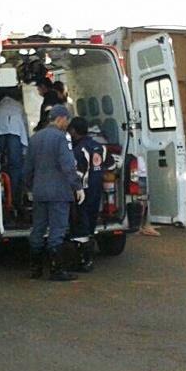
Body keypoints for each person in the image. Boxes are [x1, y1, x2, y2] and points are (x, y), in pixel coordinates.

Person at [24, 105, 83, 281]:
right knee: (57, 230)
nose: (68, 124)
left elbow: (27, 169)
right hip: (59, 193)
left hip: (39, 192)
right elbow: (68, 166)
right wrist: (77, 186)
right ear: (61, 118)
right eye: (67, 120)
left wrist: (29, 188)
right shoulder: (61, 138)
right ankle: (57, 270)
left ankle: (35, 269)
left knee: (38, 229)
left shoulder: (35, 138)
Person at [67, 116, 116, 272]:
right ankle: (88, 258)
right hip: (96, 190)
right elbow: (112, 165)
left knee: (80, 224)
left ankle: (83, 260)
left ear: (73, 131)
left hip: (82, 192)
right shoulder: (100, 147)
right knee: (91, 221)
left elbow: (76, 175)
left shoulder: (78, 151)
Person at [0, 88, 29, 215]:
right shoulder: (18, 106)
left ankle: (3, 193)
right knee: (16, 165)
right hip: (15, 132)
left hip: (0, 132)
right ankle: (16, 198)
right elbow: (24, 125)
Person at [135, 155, 161, 236]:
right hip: (141, 176)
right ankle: (141, 226)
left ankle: (142, 226)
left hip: (142, 176)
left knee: (143, 203)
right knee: (142, 203)